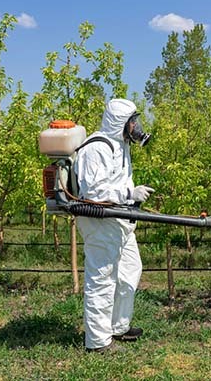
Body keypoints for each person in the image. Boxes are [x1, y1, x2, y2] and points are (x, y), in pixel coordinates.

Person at [74, 98, 154, 353]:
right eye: (132, 121)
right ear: (120, 123)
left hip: (119, 220)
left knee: (130, 269)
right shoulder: (96, 149)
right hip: (99, 221)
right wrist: (130, 193)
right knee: (102, 278)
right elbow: (93, 190)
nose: (136, 126)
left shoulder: (121, 146)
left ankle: (118, 326)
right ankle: (97, 341)